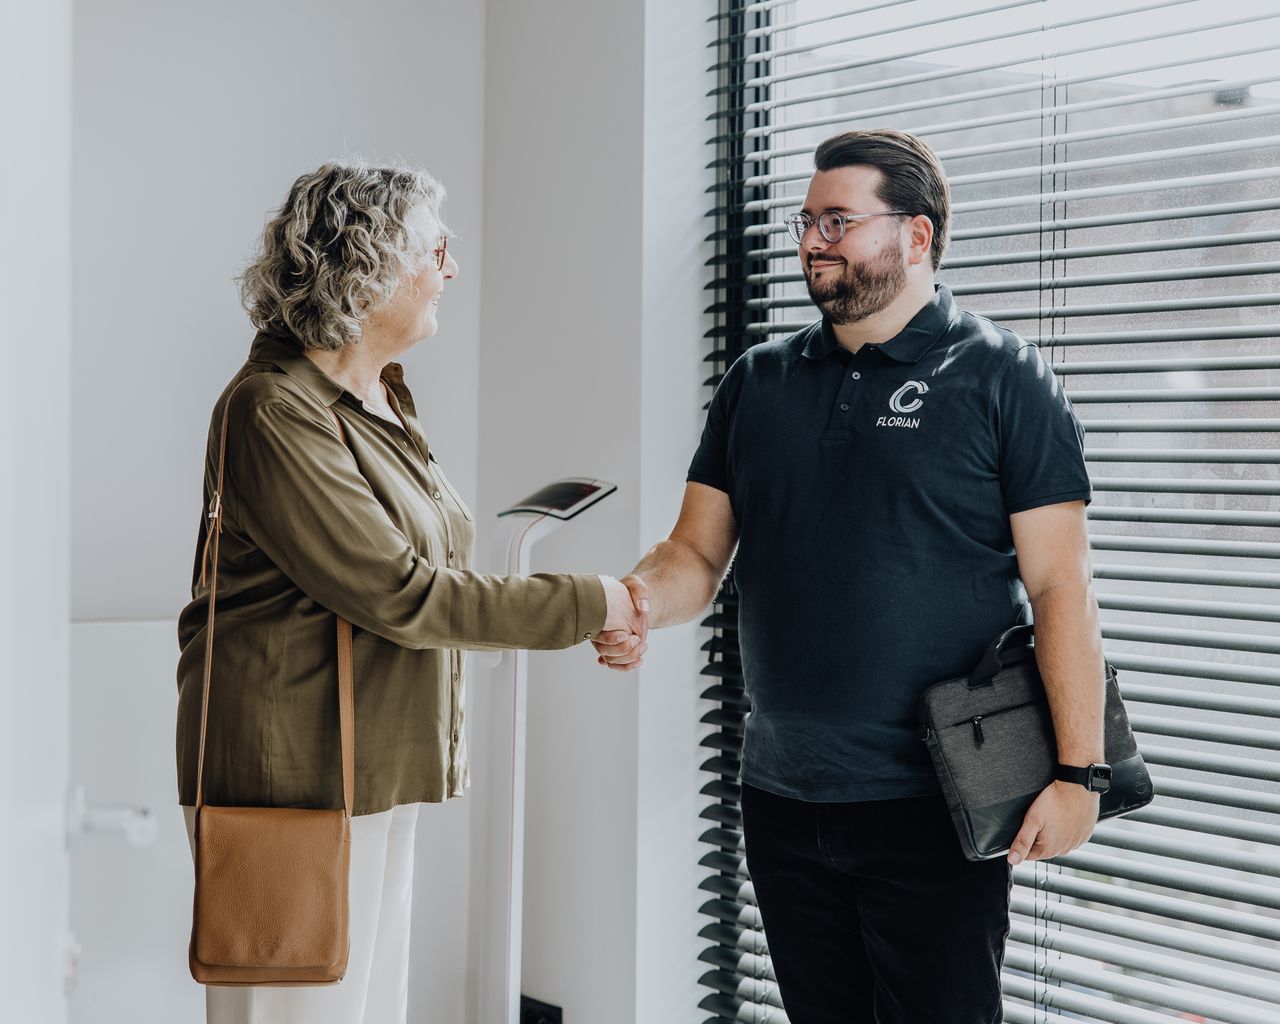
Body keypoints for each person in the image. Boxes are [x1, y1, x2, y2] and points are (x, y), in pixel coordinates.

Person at [593, 129, 1104, 1024]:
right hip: (783, 795)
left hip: (936, 801)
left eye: (839, 219)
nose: (812, 240)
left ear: (917, 235)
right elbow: (697, 554)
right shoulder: (758, 382)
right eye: (806, 220)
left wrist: (1080, 775)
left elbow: (1060, 586)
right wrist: (636, 598)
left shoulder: (1002, 376)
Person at [175, 160, 644, 1024]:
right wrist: (593, 603)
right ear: (367, 263)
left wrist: (590, 606)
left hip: (376, 771)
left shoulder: (379, 399)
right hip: (298, 784)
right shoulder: (274, 410)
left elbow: (432, 575)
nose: (451, 271)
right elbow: (403, 593)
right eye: (437, 249)